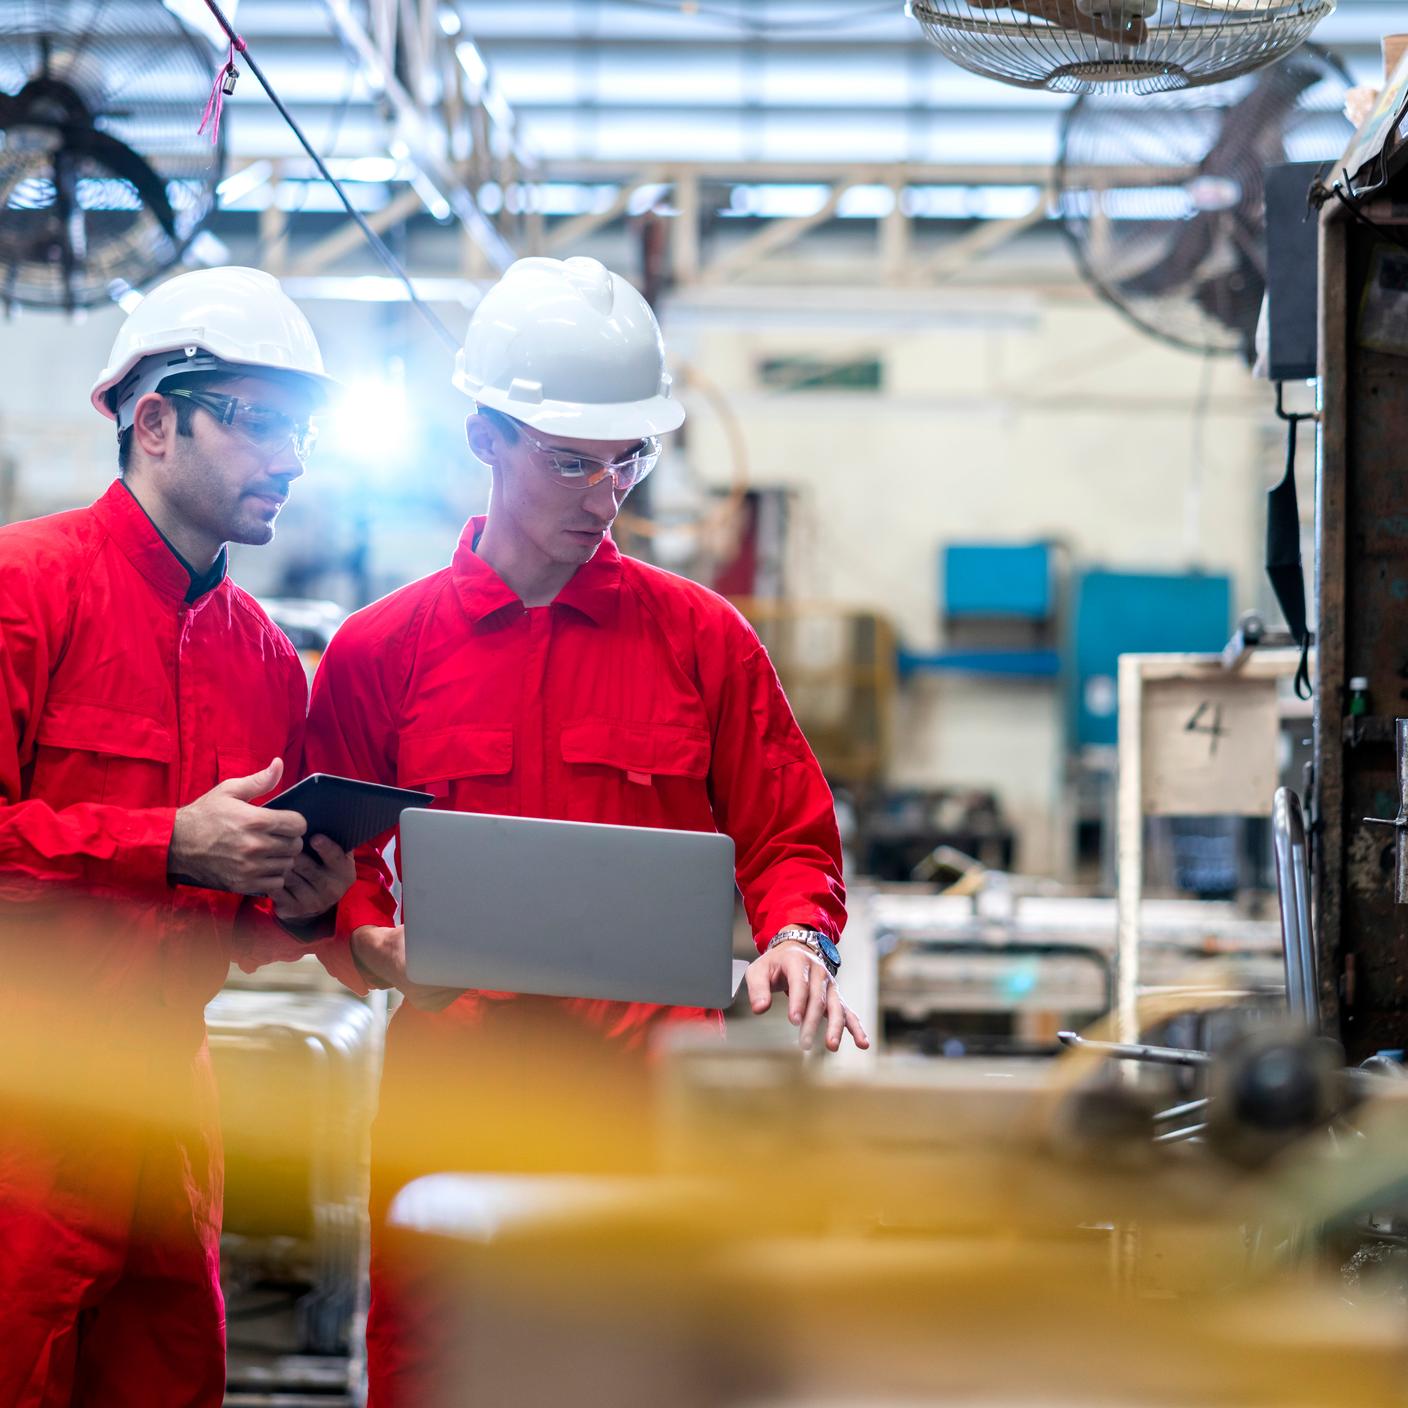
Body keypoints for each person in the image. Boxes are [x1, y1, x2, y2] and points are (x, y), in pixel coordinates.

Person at [304, 255, 868, 1403]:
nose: (604, 494)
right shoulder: (382, 651)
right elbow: (334, 856)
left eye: (628, 461)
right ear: (484, 438)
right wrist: (366, 939)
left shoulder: (703, 642)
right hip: (460, 1085)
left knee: (656, 1367)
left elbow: (789, 838)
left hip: (655, 1091)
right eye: (572, 461)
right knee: (439, 1364)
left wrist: (799, 940)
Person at [0, 265, 357, 1407]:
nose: (292, 460)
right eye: (262, 424)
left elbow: (234, 924)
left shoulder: (262, 656)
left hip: (167, 1103)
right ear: (154, 421)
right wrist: (163, 842)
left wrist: (297, 902)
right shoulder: (23, 590)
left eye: (302, 429)